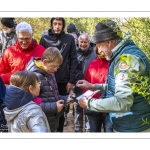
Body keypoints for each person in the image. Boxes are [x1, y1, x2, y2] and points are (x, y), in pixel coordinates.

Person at [76, 19, 150, 132]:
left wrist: (89, 103)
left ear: (108, 43)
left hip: (132, 128)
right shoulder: (122, 54)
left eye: (99, 46)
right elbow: (121, 88)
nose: (99, 51)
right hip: (129, 124)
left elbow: (122, 101)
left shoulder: (126, 60)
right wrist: (94, 86)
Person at [39, 18, 78, 132]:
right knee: (46, 105)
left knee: (61, 107)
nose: (57, 26)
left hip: (63, 79)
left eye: (59, 24)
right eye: (55, 24)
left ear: (63, 25)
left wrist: (71, 81)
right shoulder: (45, 37)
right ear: (51, 24)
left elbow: (74, 60)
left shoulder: (69, 38)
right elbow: (41, 57)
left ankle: (60, 131)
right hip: (46, 77)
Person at [26, 47, 72, 132]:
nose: (55, 69)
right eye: (54, 66)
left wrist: (66, 98)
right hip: (40, 123)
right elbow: (31, 105)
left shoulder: (50, 74)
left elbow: (53, 96)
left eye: (57, 67)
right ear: (45, 62)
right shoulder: (34, 77)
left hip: (50, 121)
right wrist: (54, 106)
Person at [83, 48, 113, 132]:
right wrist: (86, 97)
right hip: (94, 105)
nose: (101, 52)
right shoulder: (93, 64)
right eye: (99, 49)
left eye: (103, 48)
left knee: (109, 131)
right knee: (94, 132)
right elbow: (87, 83)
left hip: (110, 105)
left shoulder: (113, 64)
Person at [73, 33, 97, 132]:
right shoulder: (74, 52)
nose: (83, 44)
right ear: (78, 42)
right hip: (77, 84)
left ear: (89, 42)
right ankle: (78, 129)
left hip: (89, 85)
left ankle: (88, 129)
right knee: (77, 107)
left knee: (88, 107)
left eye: (85, 42)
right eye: (81, 42)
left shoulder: (94, 52)